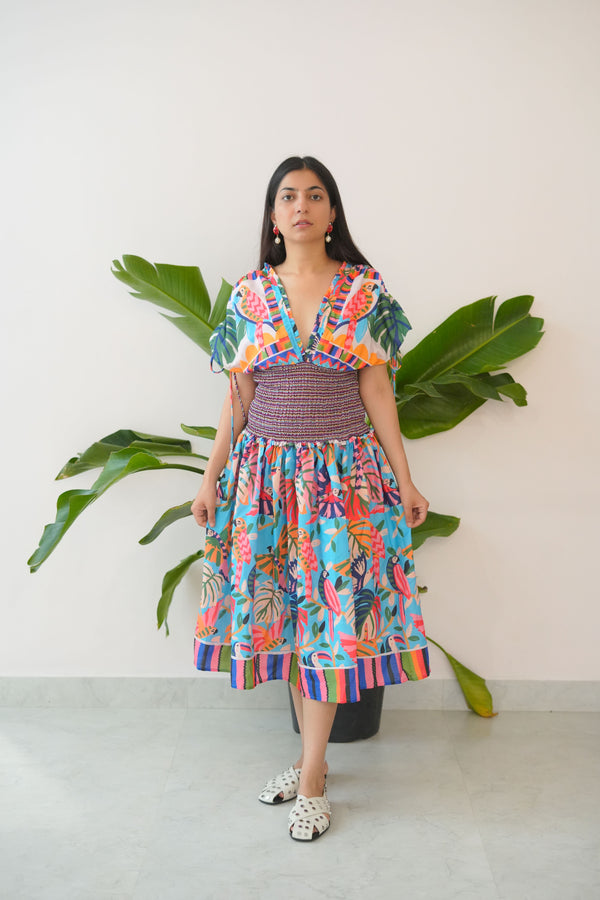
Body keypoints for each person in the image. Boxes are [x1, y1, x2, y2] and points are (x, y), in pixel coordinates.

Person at [191, 156, 430, 841]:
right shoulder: (248, 295)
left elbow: (377, 391)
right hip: (264, 483)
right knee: (290, 623)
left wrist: (405, 478)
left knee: (326, 624)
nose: (302, 206)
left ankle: (315, 772)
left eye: (315, 195)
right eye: (289, 196)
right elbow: (238, 394)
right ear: (273, 215)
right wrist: (211, 477)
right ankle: (307, 760)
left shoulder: (364, 291)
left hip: (340, 484)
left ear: (332, 213)